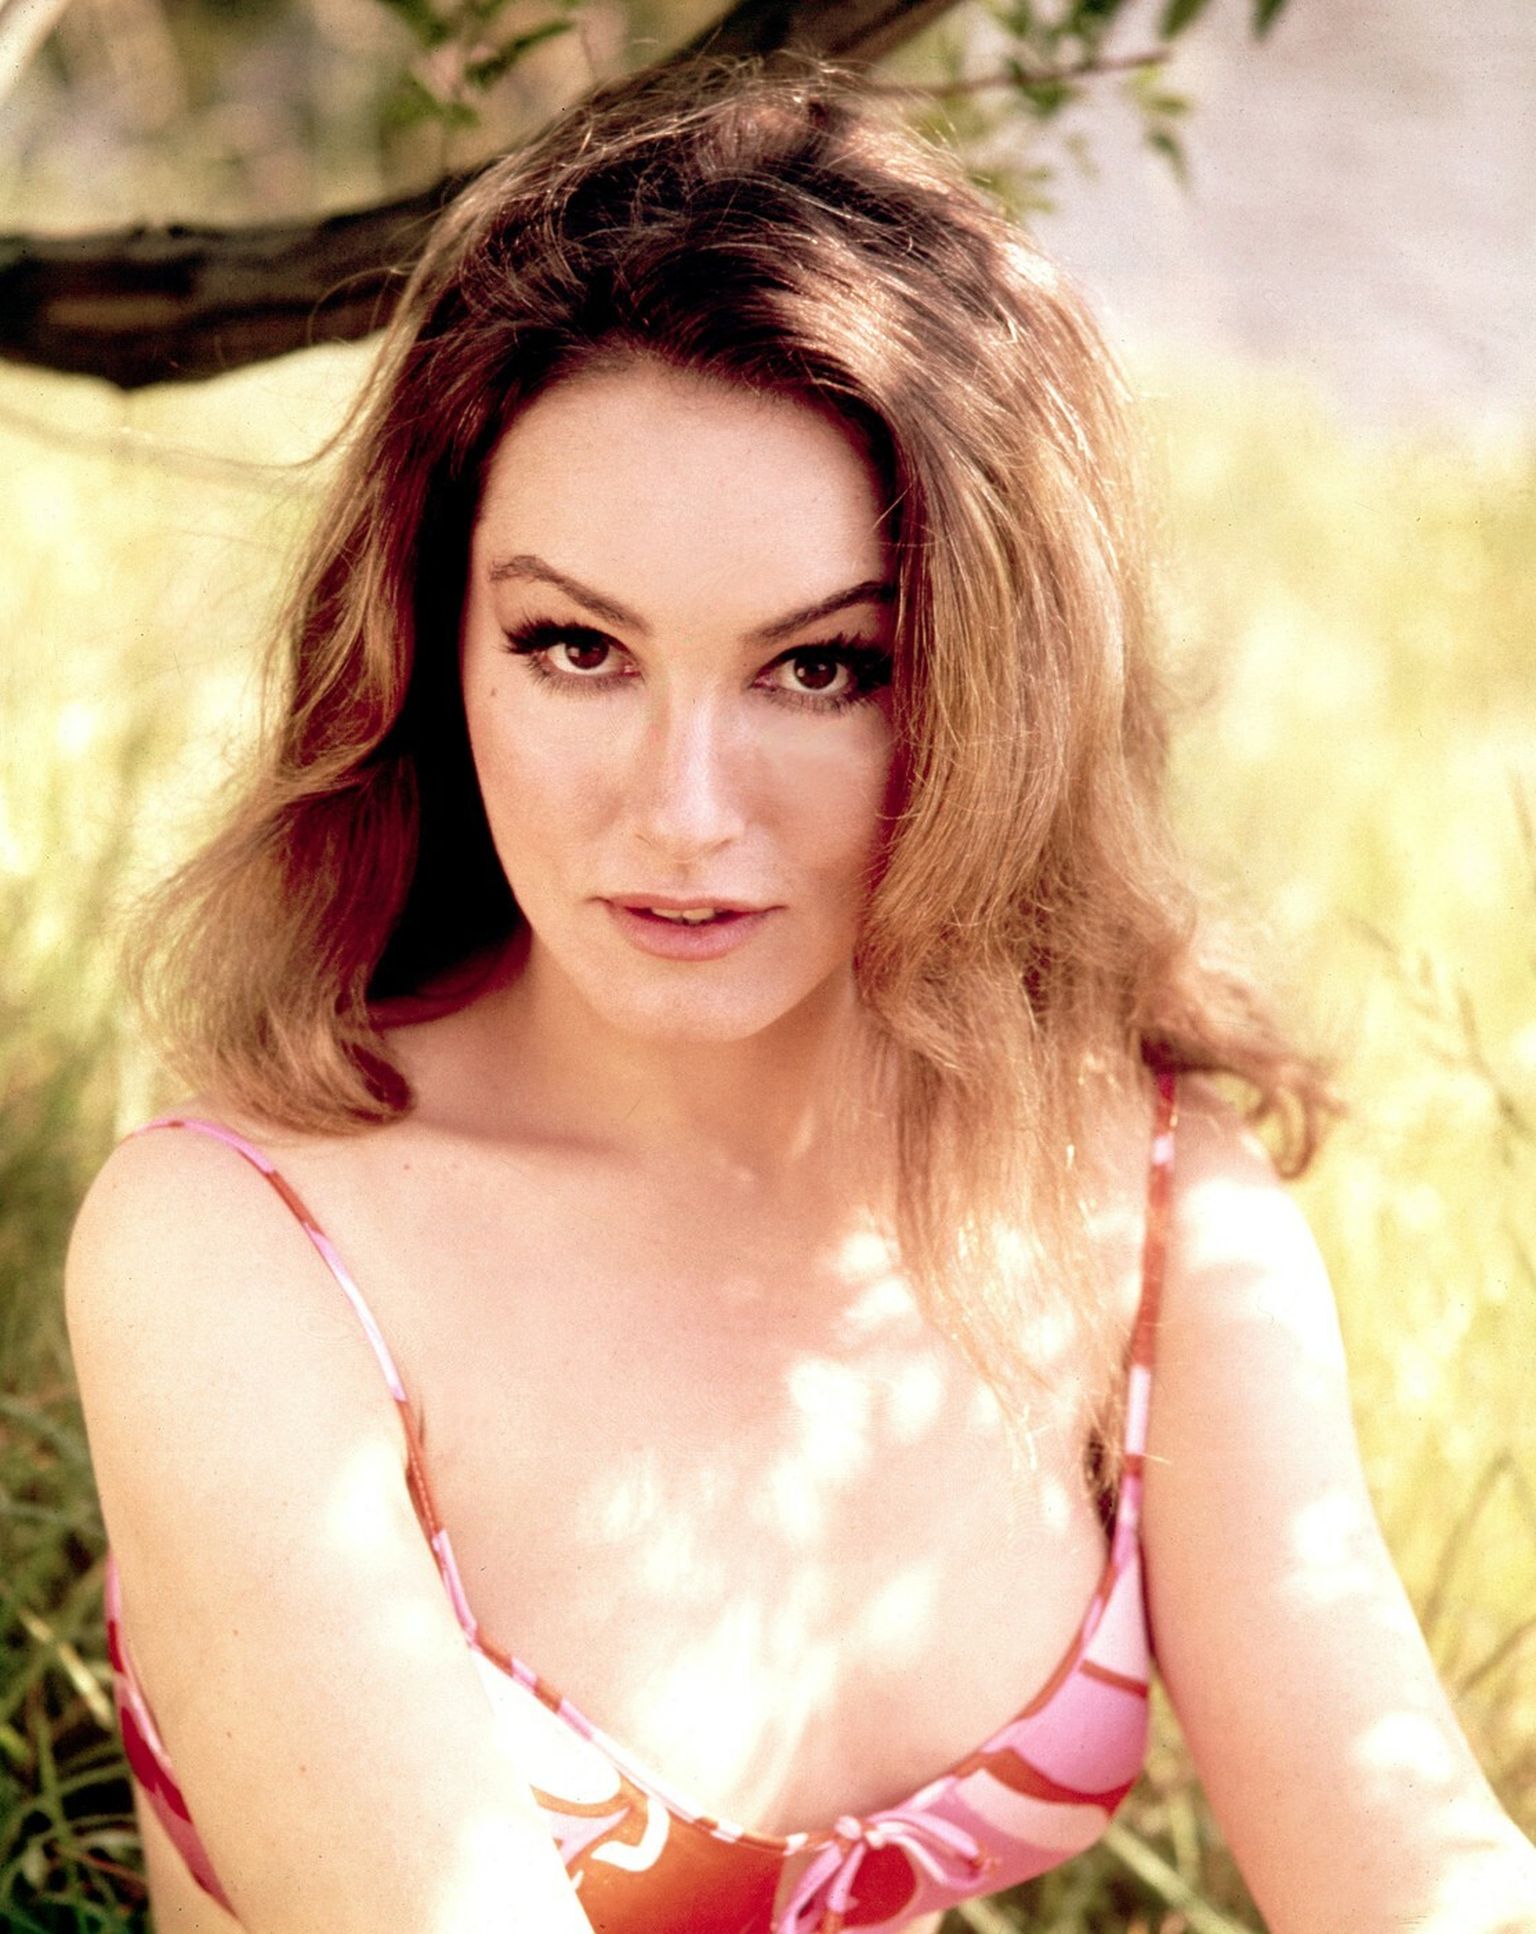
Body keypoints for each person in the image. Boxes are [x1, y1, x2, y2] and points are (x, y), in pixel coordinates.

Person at [64, 49, 1536, 1934]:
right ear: (437, 644)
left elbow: (1412, 1868)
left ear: (989, 695)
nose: (684, 810)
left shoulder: (1149, 1211)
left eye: (821, 667)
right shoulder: (243, 1251)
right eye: (574, 646)